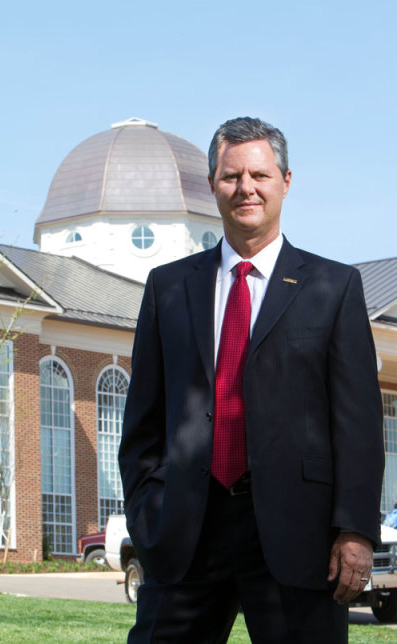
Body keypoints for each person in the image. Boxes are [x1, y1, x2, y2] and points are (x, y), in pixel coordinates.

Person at [119, 117, 385, 643]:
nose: (246, 188)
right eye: (231, 176)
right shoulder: (168, 288)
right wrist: (149, 515)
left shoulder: (333, 288)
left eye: (260, 175)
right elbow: (142, 423)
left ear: (286, 182)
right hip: (186, 536)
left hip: (299, 539)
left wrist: (355, 531)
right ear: (212, 185)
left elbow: (358, 425)